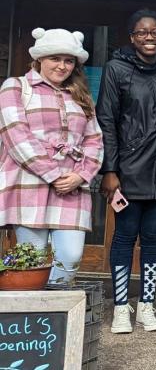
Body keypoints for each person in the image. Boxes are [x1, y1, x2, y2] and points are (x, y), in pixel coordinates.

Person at [98, 9, 156, 334]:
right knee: (124, 237)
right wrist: (109, 170)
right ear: (132, 37)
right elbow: (107, 121)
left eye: (155, 32)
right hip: (127, 171)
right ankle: (121, 307)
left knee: (154, 238)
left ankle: (147, 306)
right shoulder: (116, 69)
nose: (149, 37)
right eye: (142, 32)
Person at [0, 28, 103, 285]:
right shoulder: (15, 87)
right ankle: (37, 317)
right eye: (55, 59)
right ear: (40, 59)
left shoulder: (82, 96)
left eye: (69, 61)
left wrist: (80, 175)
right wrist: (54, 175)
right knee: (34, 259)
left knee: (70, 257)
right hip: (29, 183)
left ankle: (52, 309)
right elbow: (16, 136)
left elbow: (94, 139)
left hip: (72, 187)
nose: (62, 66)